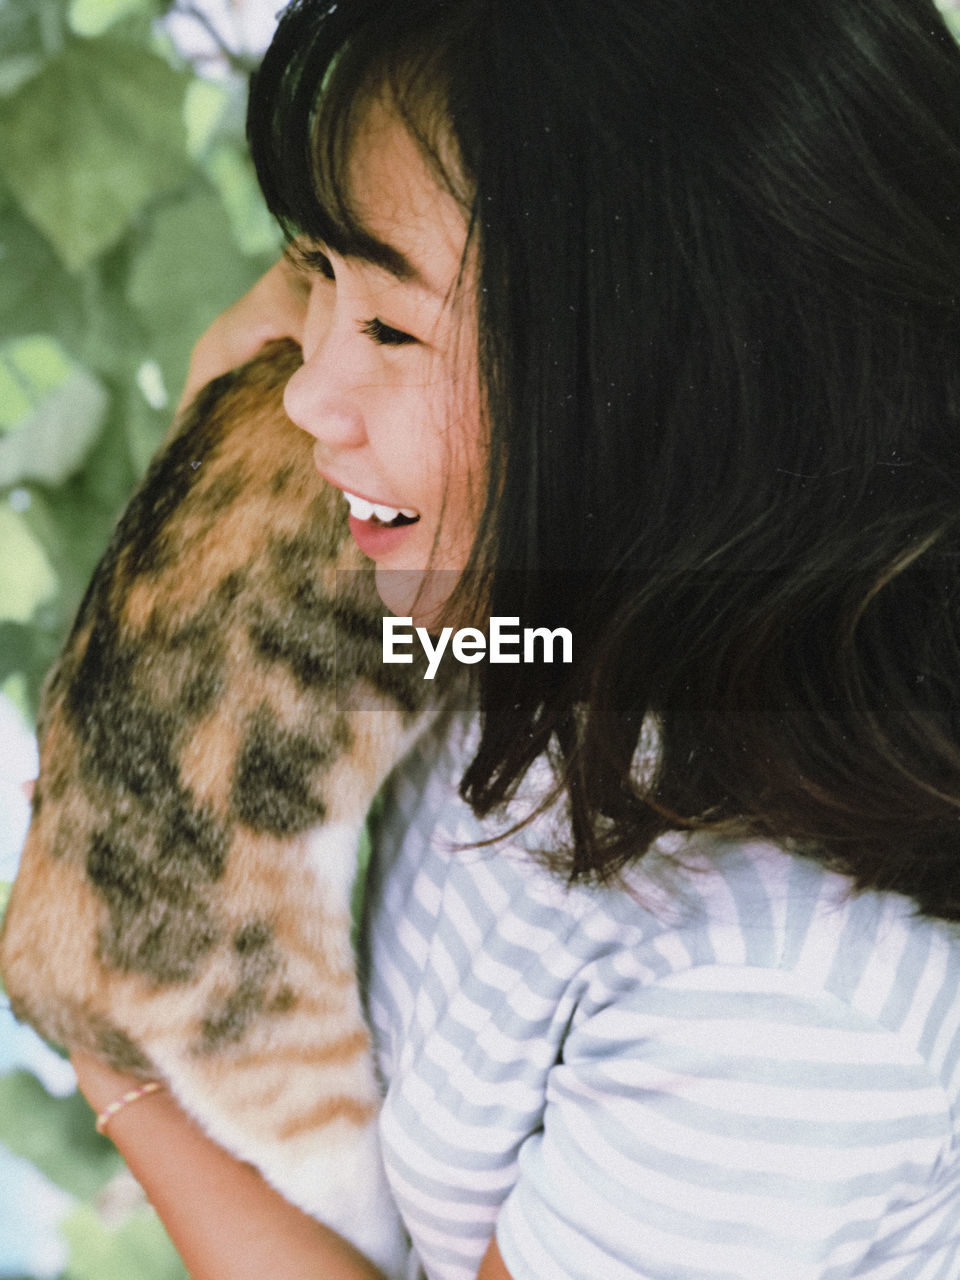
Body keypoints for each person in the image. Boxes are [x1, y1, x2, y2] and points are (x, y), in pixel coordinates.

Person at [71, 0, 960, 1276]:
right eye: (311, 272)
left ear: (684, 389)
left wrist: (115, 1055)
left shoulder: (781, 1006)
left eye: (389, 327)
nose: (308, 394)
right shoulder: (552, 608)